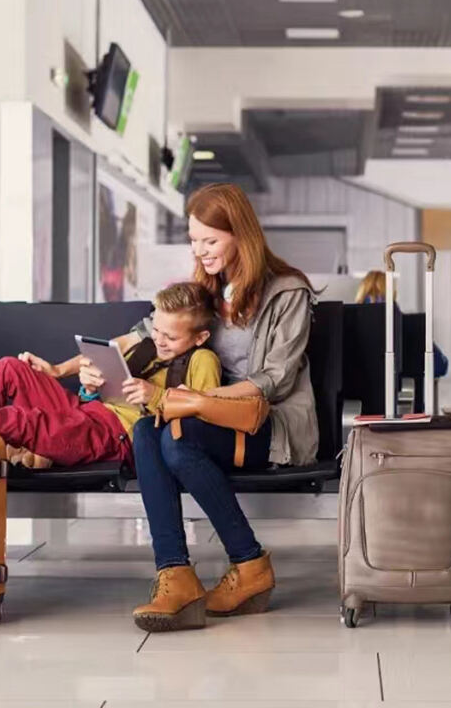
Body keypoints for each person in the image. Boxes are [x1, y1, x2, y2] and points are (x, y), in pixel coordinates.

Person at [127, 183, 318, 633]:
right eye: (194, 241)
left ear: (241, 235)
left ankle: (250, 564)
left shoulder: (289, 291)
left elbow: (274, 382)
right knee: (146, 432)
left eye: (210, 241)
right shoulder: (204, 290)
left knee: (177, 439)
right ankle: (174, 574)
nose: (201, 251)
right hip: (206, 419)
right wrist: (77, 366)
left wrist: (194, 401)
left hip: (270, 424)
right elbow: (141, 334)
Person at [0, 282, 220, 468]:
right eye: (156, 330)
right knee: (10, 368)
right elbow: (108, 393)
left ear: (200, 338)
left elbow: (203, 419)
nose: (160, 340)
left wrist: (155, 396)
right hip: (86, 410)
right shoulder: (144, 346)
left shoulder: (202, 361)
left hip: (116, 434)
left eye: (171, 337)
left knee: (25, 421)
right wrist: (90, 389)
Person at [355, 269, 449, 378]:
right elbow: (440, 366)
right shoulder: (408, 325)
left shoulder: (345, 326)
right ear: (392, 294)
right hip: (393, 392)